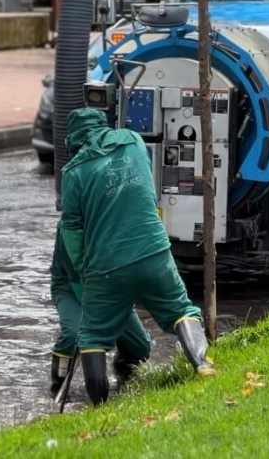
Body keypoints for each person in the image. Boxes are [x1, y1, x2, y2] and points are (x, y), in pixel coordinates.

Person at [60, 108, 217, 406]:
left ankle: (100, 407)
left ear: (75, 141)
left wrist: (83, 269)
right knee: (181, 309)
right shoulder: (132, 140)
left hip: (105, 268)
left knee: (93, 336)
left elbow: (72, 230)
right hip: (154, 252)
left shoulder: (73, 174)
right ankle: (203, 364)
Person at [49, 226, 150, 396]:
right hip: (70, 286)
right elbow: (76, 275)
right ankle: (58, 386)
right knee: (73, 334)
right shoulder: (69, 227)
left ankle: (123, 373)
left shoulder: (117, 221)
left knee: (140, 346)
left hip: (109, 287)